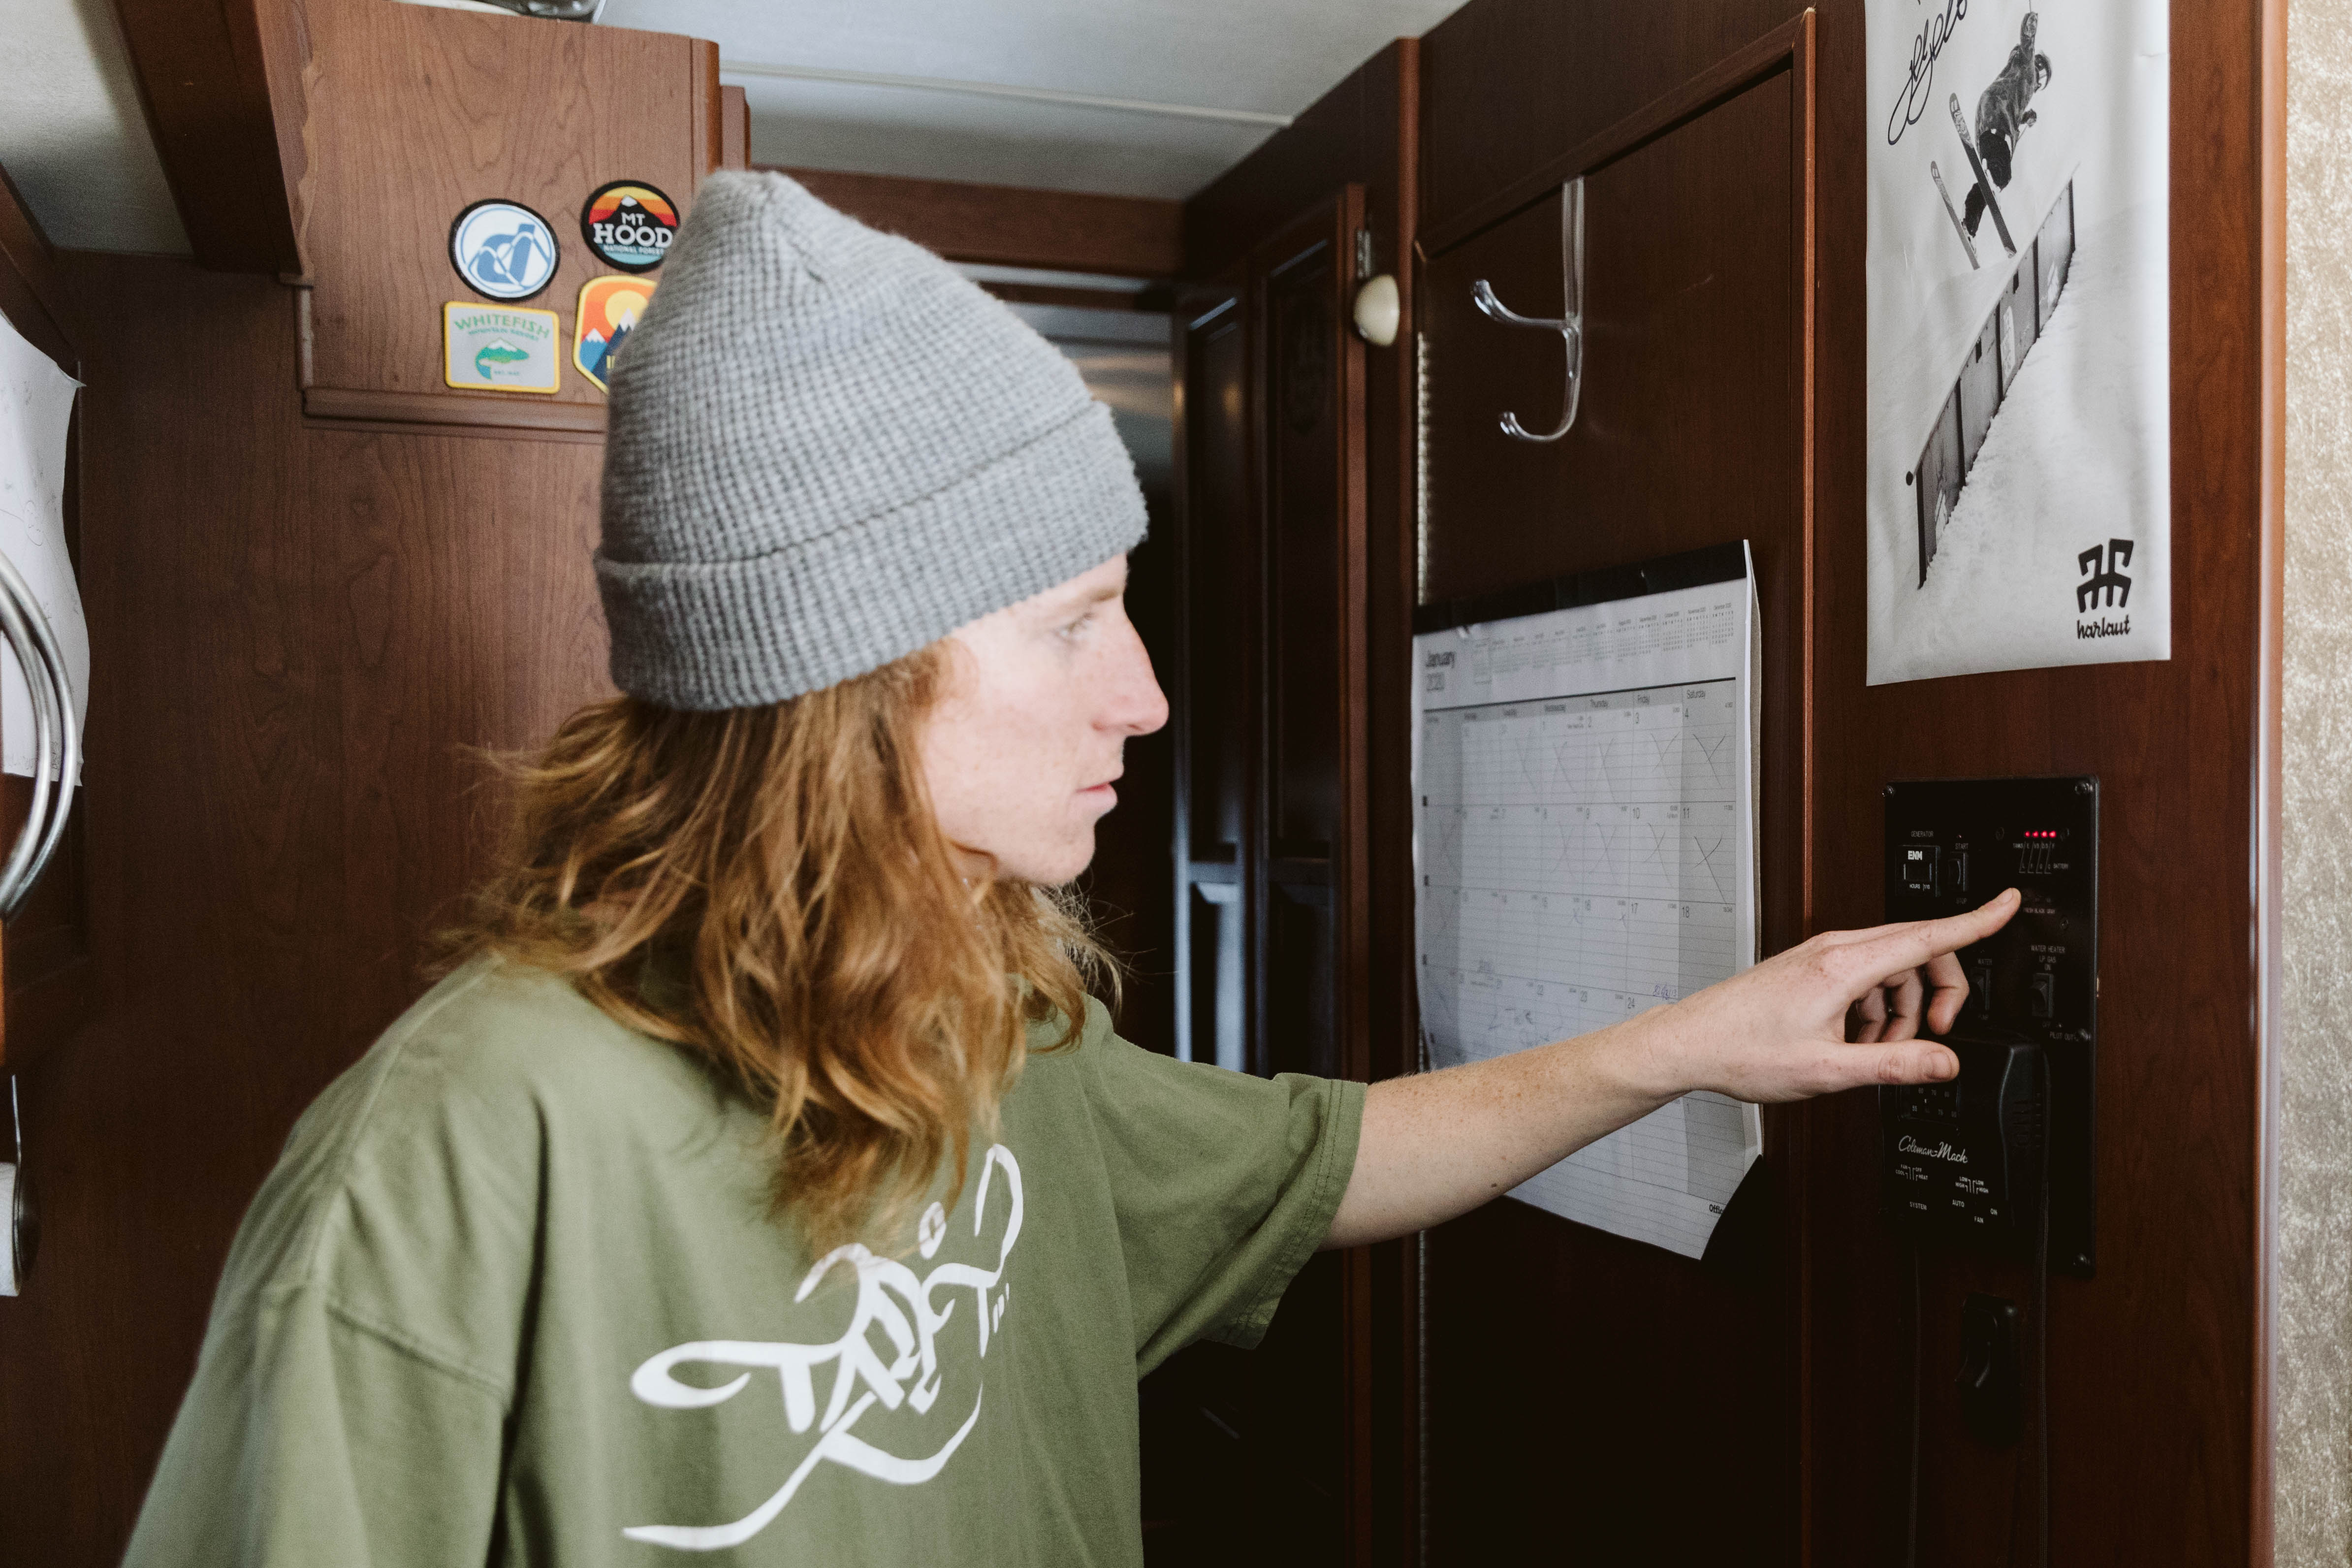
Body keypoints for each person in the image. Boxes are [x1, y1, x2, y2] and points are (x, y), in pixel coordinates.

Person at [120, 172, 2017, 1566]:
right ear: (849, 673)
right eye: (1076, 620)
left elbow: (1316, 1160)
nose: (1148, 692)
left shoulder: (991, 1019)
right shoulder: (460, 1137)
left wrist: (1702, 1037)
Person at [1965, 11, 2056, 237]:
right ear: (2040, 71)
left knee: (1999, 179)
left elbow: (2014, 111)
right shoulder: (2027, 68)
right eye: (2041, 80)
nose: (2038, 85)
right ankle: (1992, 172)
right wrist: (2030, 27)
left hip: (1989, 118)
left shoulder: (2020, 82)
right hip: (1996, 114)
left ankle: (1970, 224)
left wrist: (2026, 118)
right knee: (2000, 171)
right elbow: (2027, 46)